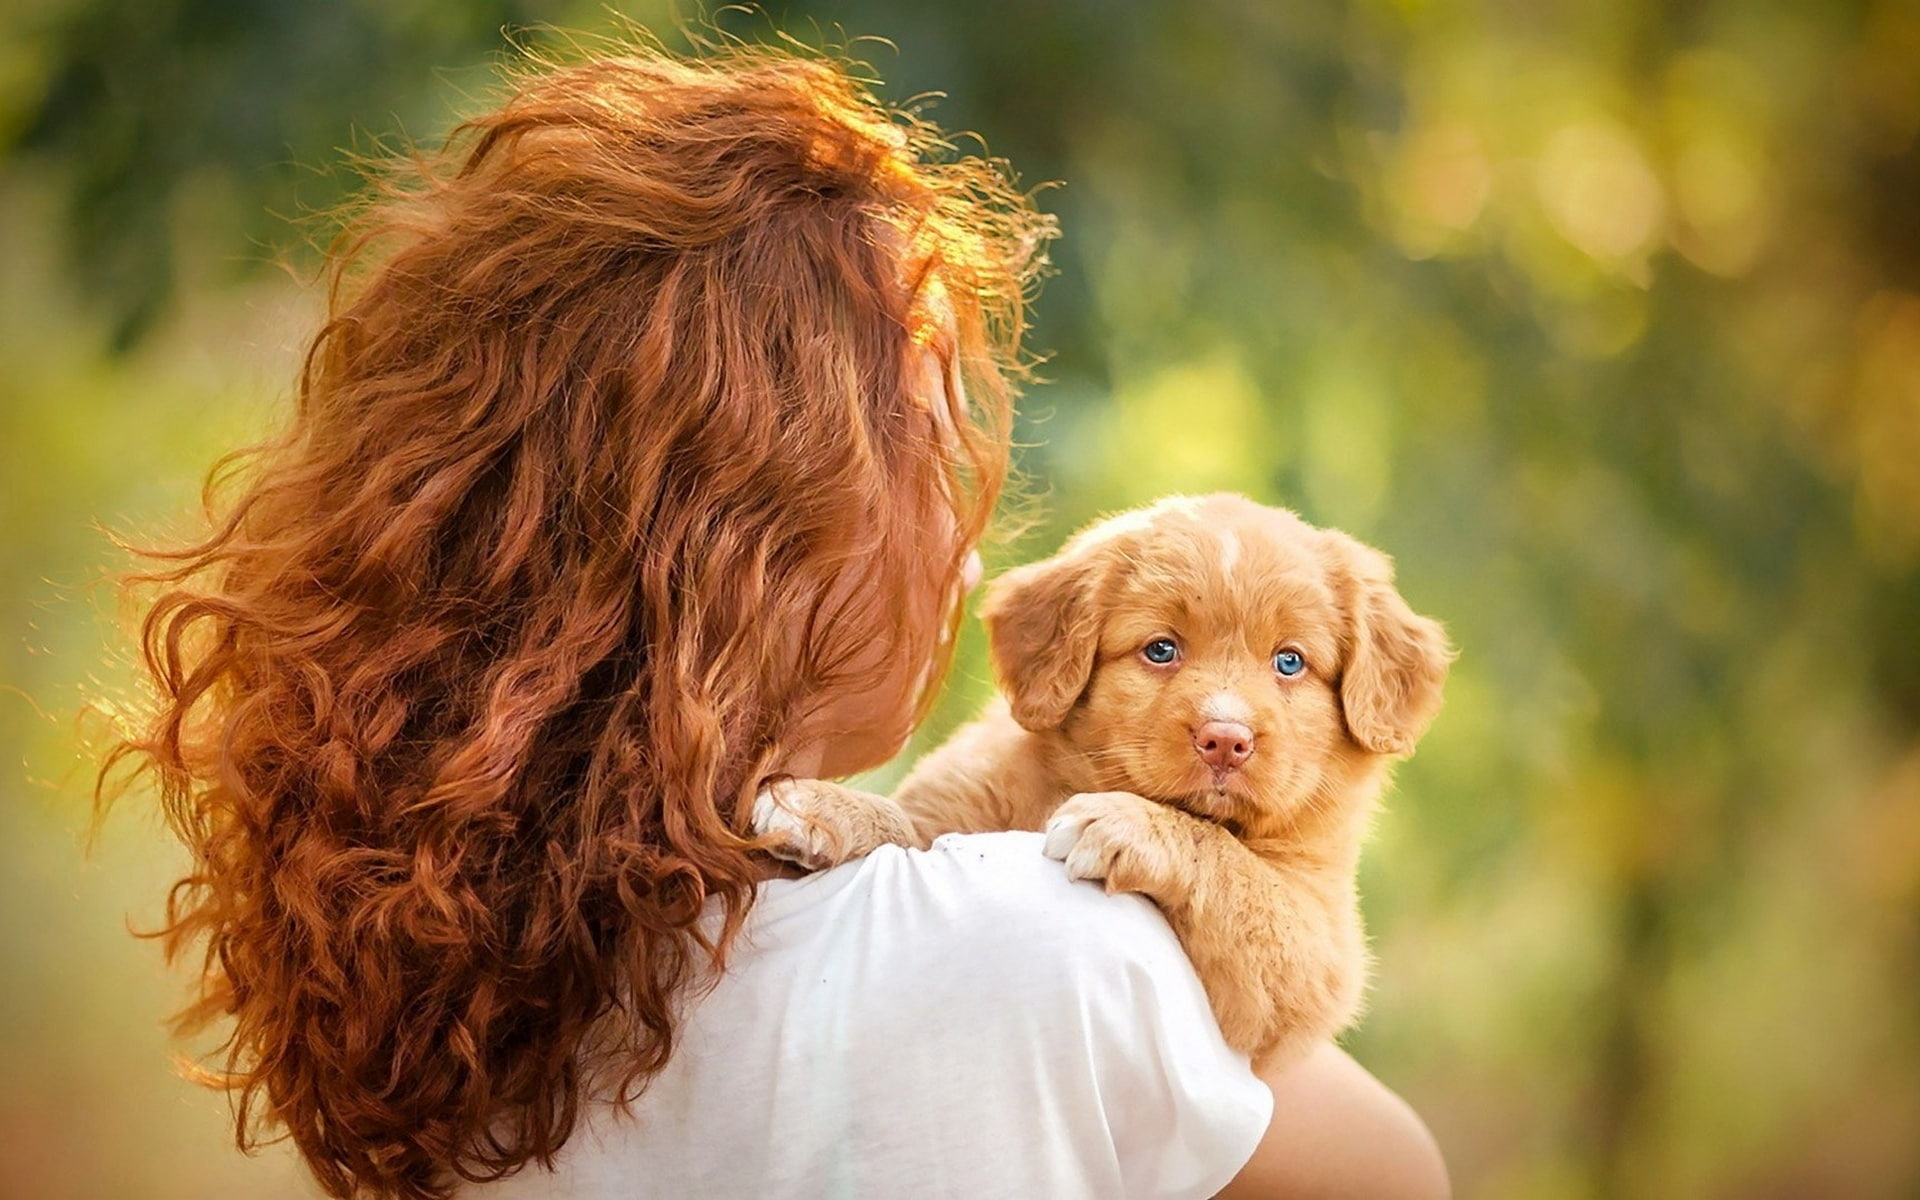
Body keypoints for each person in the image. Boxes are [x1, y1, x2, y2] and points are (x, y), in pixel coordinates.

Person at [108, 39, 1448, 1200]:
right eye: (928, 445)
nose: (970, 531)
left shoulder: (454, 1007)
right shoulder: (1039, 944)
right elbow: (1403, 1178)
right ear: (754, 538)